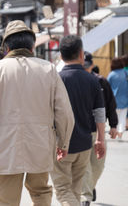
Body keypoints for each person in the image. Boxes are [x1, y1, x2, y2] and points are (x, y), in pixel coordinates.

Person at [0, 20, 75, 206]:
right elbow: (64, 111)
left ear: (6, 47)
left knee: (5, 200)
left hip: (4, 147)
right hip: (41, 144)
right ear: (32, 45)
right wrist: (63, 142)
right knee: (41, 192)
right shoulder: (48, 69)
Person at [51, 35, 106, 206]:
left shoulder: (56, 79)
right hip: (84, 143)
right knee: (75, 189)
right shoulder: (92, 80)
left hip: (60, 144)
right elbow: (99, 112)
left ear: (60, 55)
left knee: (62, 190)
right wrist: (100, 139)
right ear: (82, 54)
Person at [81, 52, 119, 205]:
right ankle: (86, 196)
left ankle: (91, 186)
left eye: (87, 66)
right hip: (81, 130)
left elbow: (110, 104)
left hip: (99, 130)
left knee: (98, 165)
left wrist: (114, 125)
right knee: (84, 166)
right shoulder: (76, 81)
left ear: (91, 65)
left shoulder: (101, 81)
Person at [107, 57, 128, 139]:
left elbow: (107, 87)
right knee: (123, 116)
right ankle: (120, 132)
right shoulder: (126, 73)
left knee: (115, 116)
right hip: (125, 98)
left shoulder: (111, 74)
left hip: (114, 99)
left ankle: (114, 130)